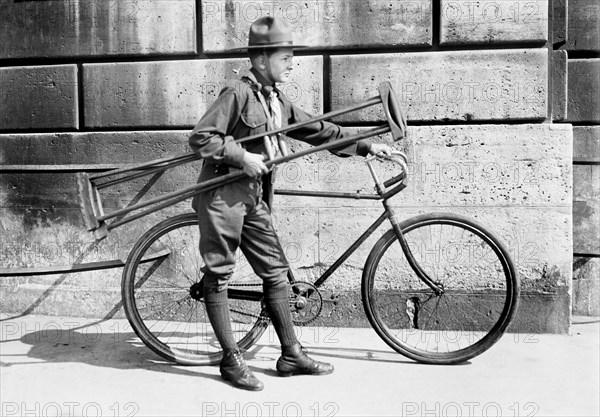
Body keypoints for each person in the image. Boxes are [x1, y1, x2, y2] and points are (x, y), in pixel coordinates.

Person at [189, 16, 393, 391]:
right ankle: (231, 361)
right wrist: (241, 156)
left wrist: (367, 145)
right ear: (263, 60)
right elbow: (202, 138)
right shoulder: (236, 93)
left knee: (276, 272)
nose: (292, 64)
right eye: (286, 58)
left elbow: (319, 129)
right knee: (218, 275)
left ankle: (290, 353)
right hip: (221, 196)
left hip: (251, 197)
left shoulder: (276, 101)